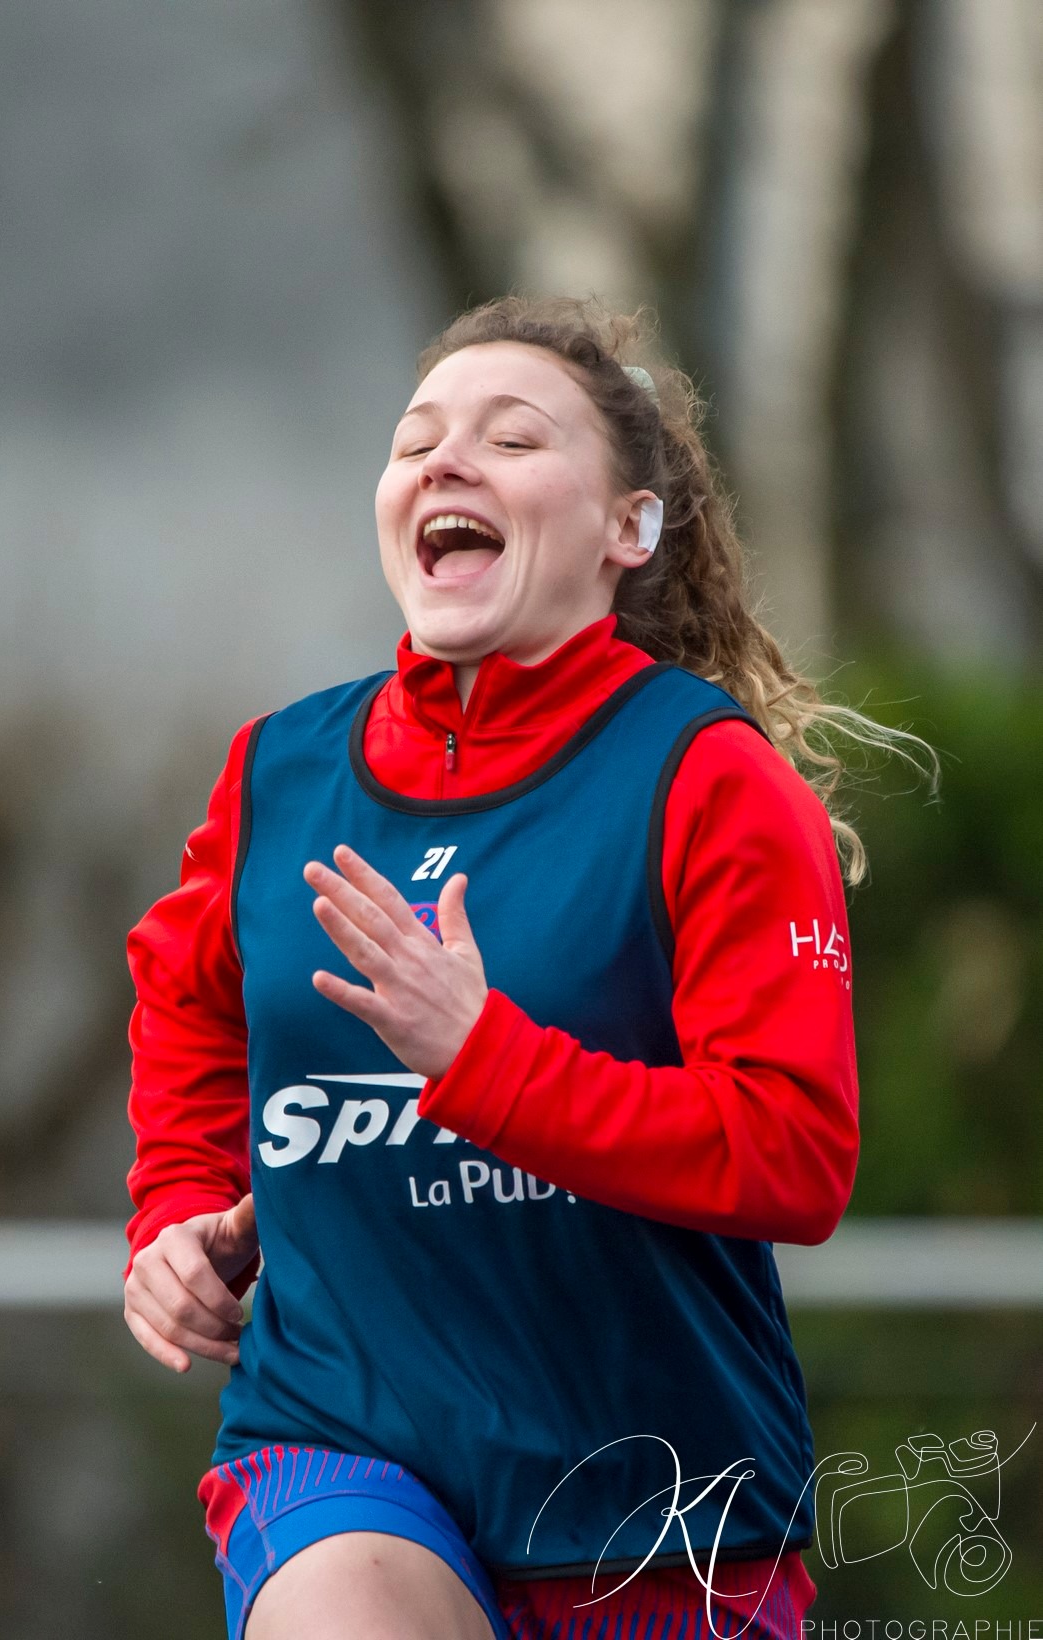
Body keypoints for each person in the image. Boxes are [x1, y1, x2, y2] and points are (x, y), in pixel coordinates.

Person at [122, 295, 933, 1640]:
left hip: (661, 1509)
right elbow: (186, 995)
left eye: (511, 439)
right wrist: (178, 1208)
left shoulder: (707, 779)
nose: (445, 463)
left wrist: (485, 1062)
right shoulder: (281, 774)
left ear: (631, 530)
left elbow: (794, 1154)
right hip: (340, 1440)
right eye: (416, 441)